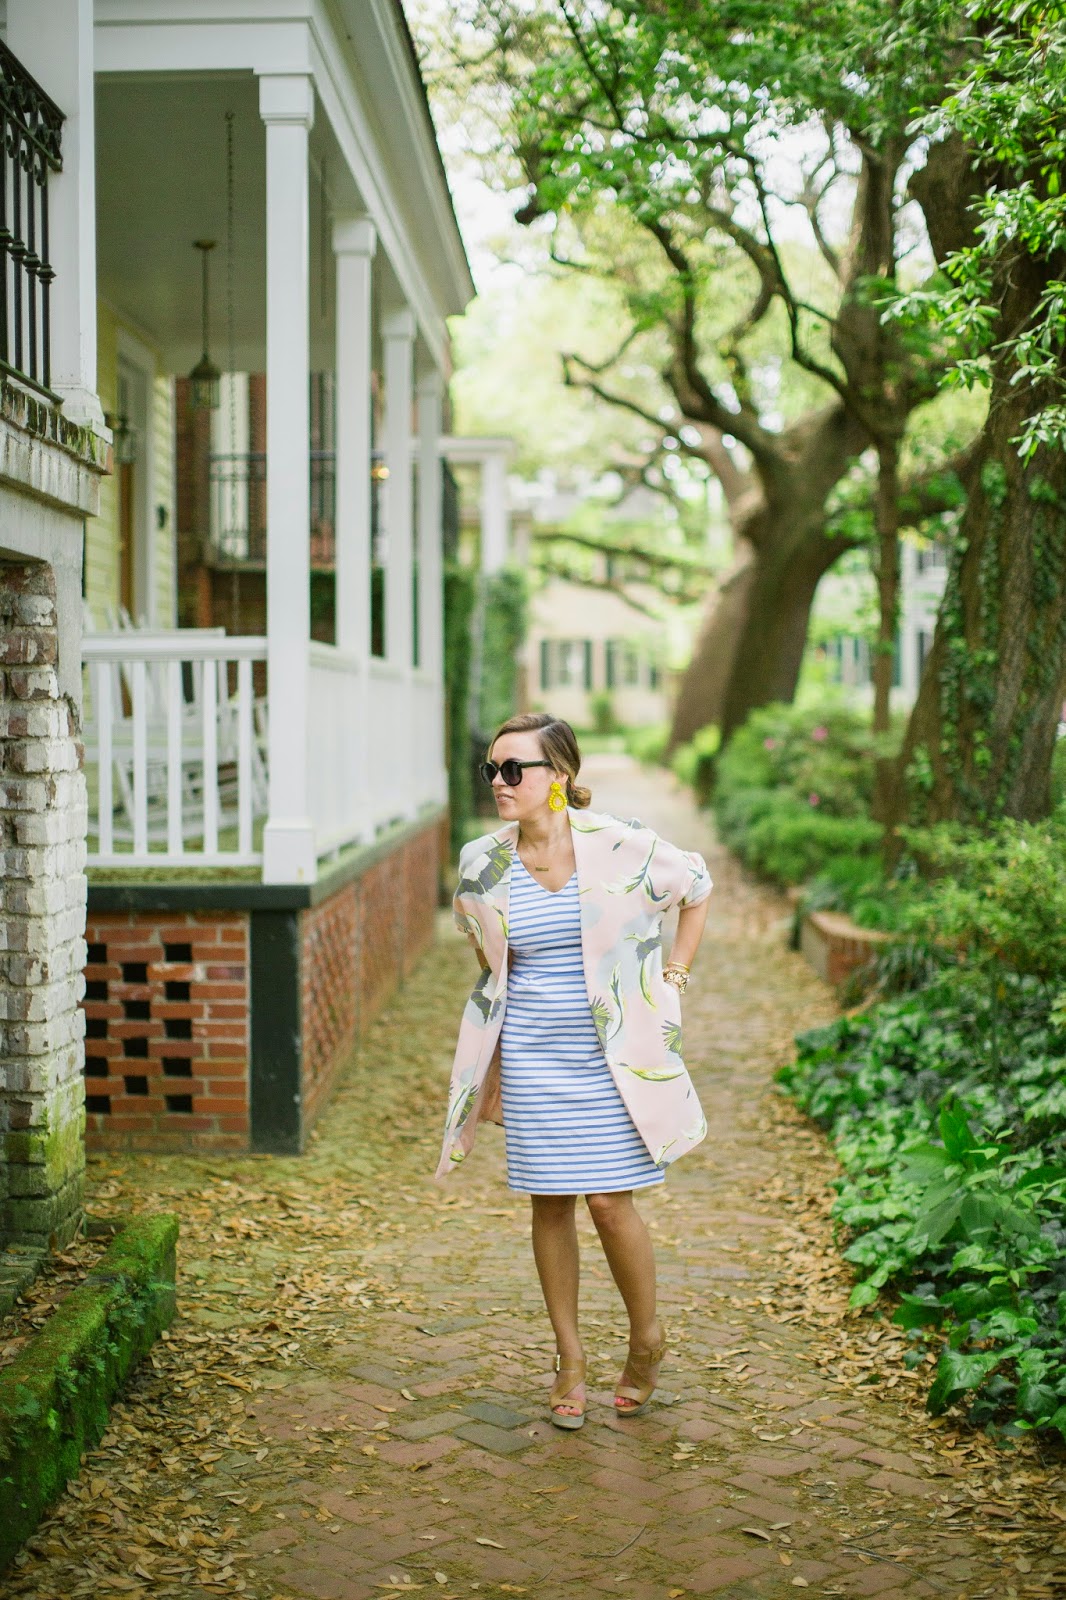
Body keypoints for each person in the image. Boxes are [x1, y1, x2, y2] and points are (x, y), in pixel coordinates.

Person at [436, 712, 712, 1429]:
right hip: (532, 1057)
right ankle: (570, 1359)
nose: (499, 782)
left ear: (558, 775)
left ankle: (646, 1340)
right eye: (492, 770)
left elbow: (696, 886)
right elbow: (486, 955)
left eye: (514, 770)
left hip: (611, 1059)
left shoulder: (621, 845)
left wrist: (675, 976)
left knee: (612, 1203)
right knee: (550, 1203)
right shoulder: (481, 862)